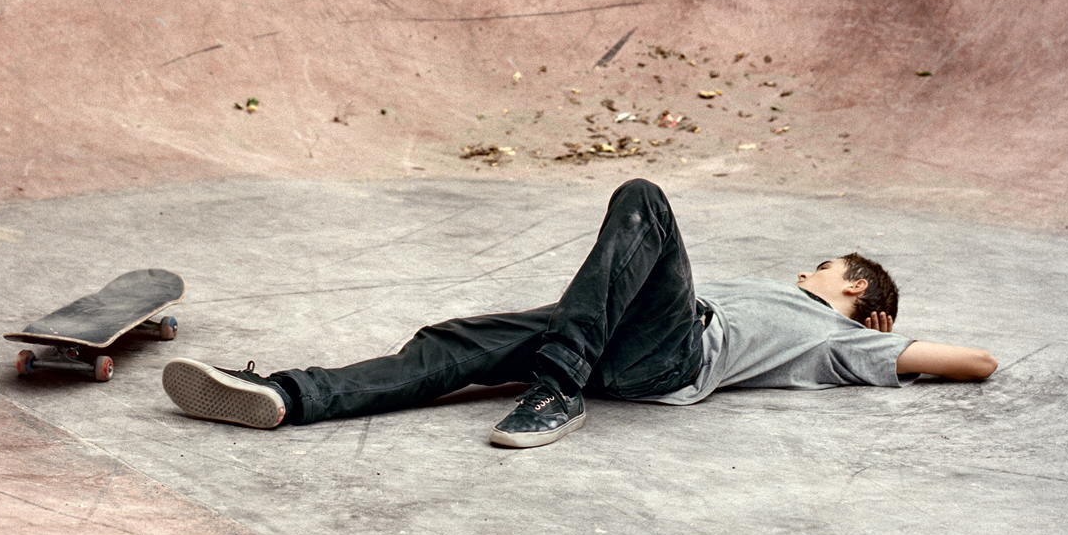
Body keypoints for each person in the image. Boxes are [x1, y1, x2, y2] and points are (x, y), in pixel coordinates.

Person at [161, 178, 998, 449]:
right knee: (455, 345)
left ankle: (557, 391)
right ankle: (290, 395)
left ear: (860, 297)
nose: (805, 270)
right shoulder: (791, 302)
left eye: (825, 268)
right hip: (614, 335)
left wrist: (886, 339)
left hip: (672, 356)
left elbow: (978, 364)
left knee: (644, 200)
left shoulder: (837, 338)